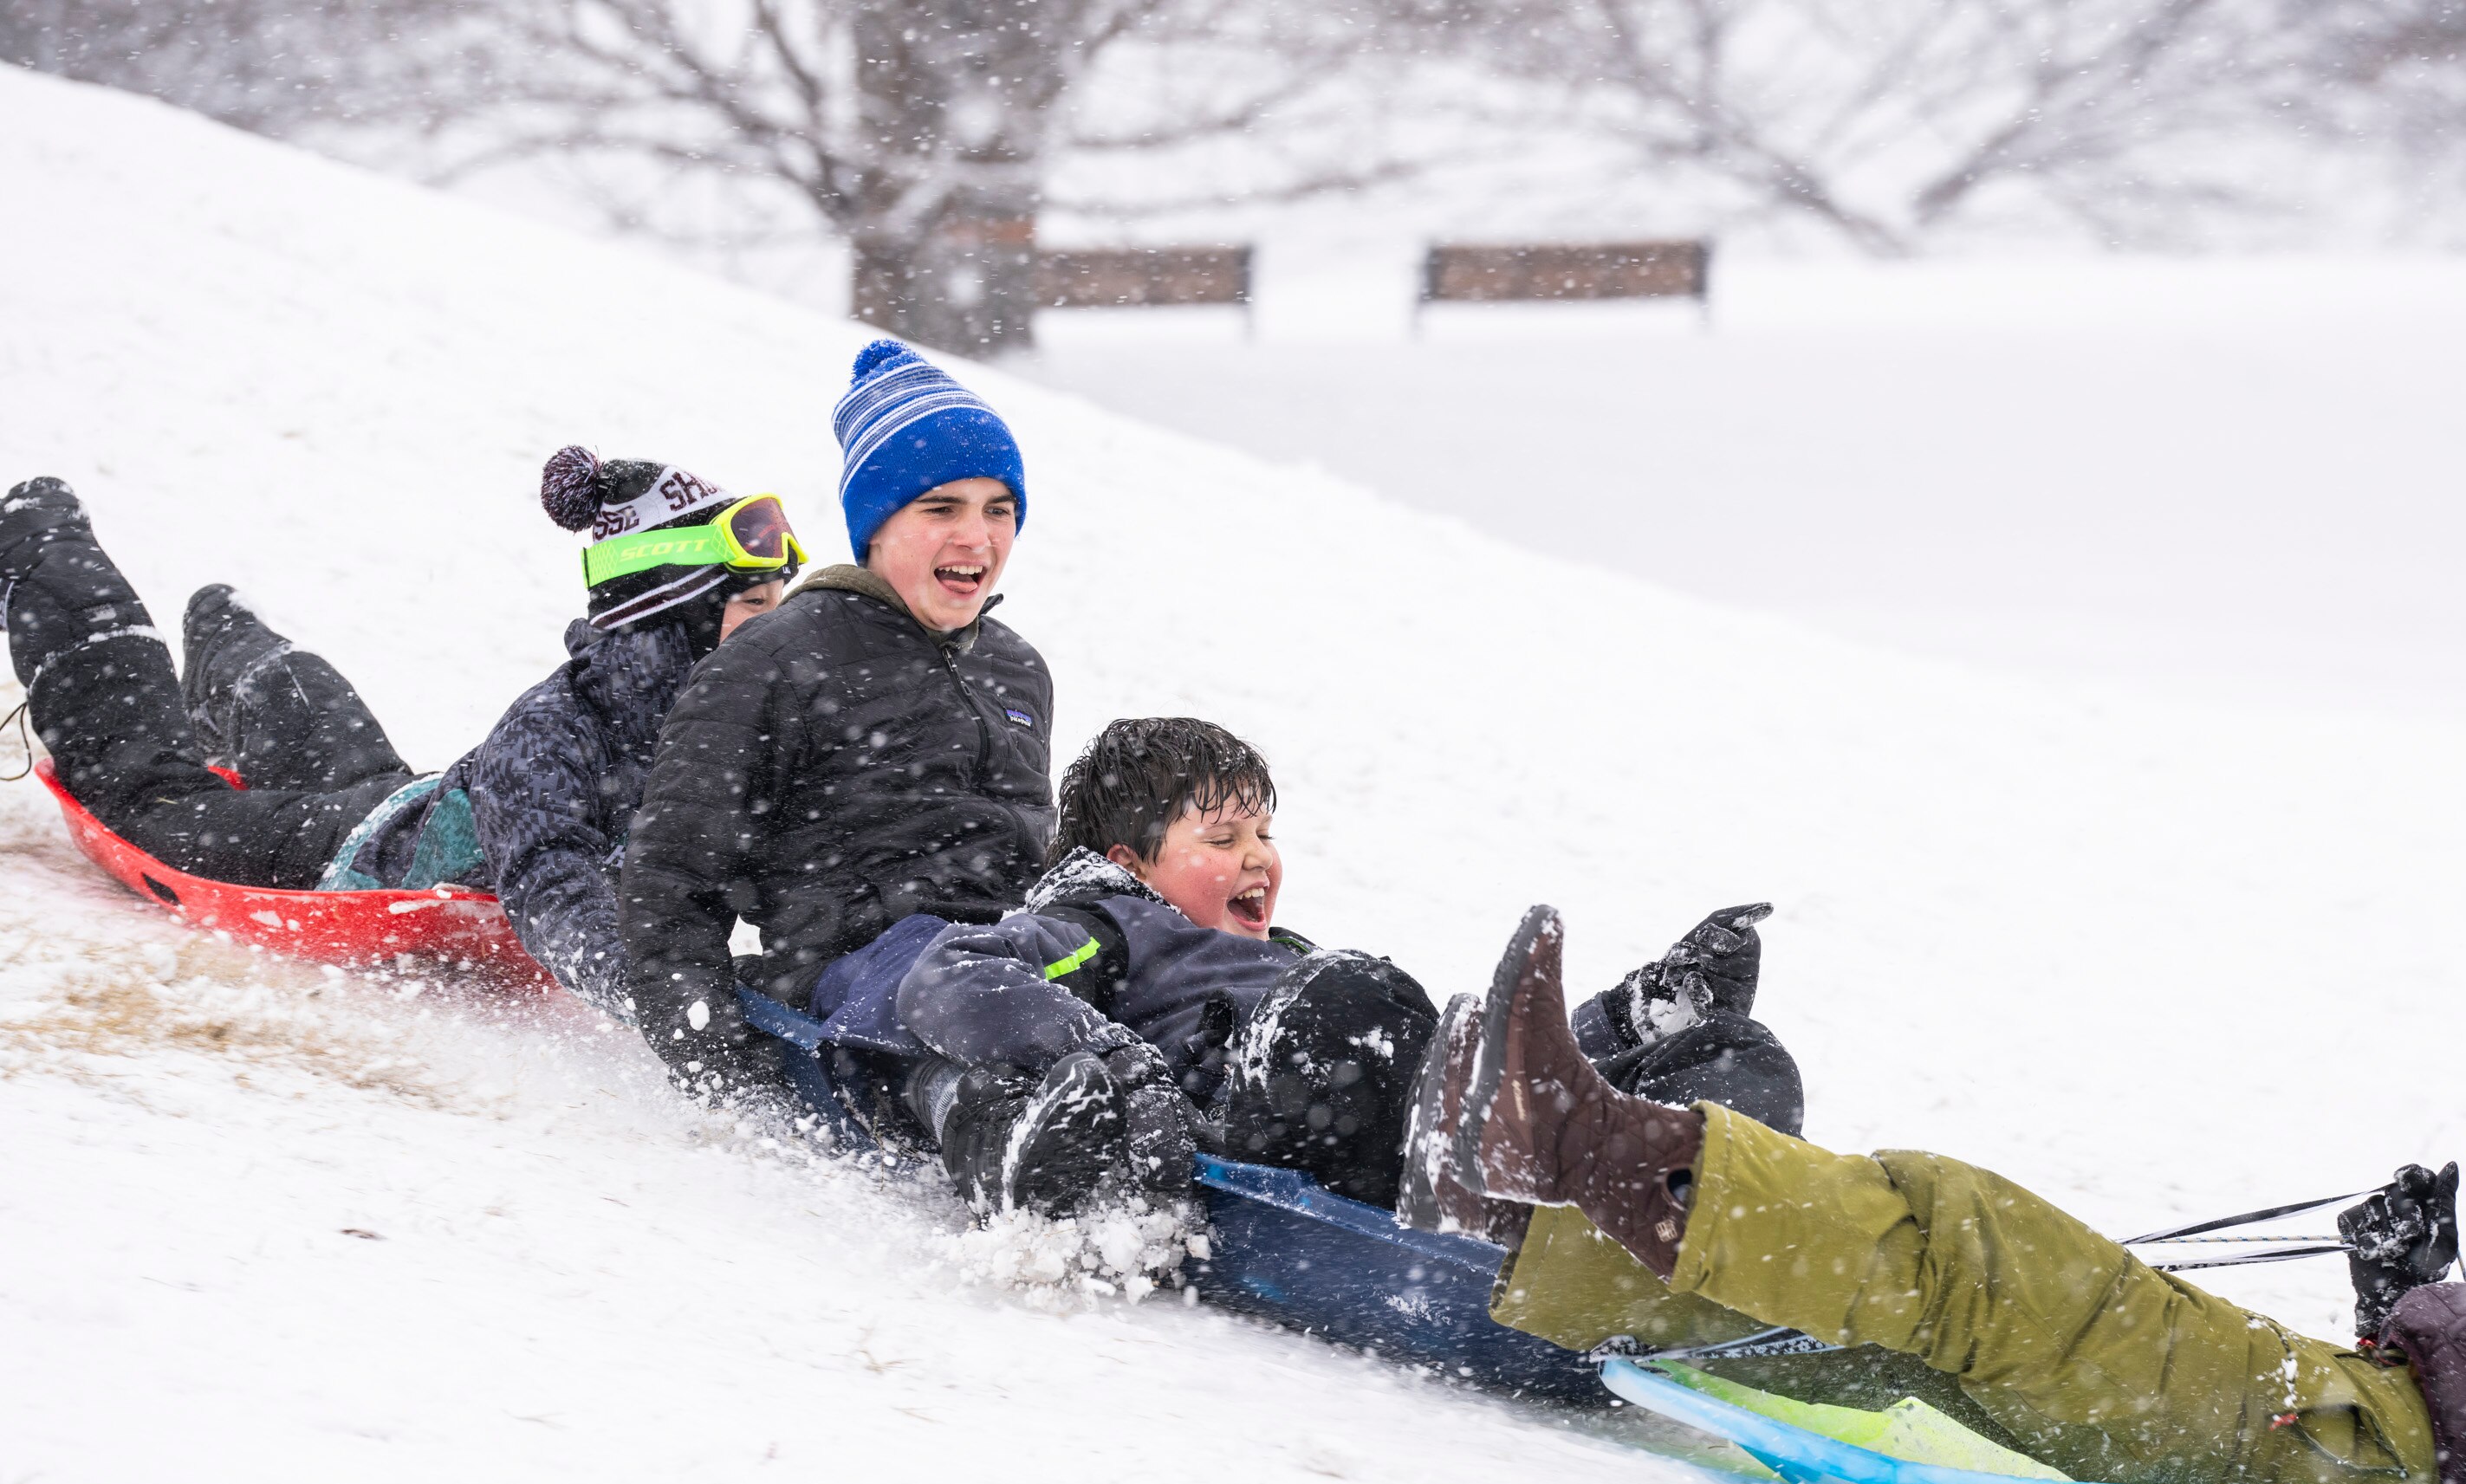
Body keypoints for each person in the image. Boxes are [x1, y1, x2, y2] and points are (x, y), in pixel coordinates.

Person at [1401, 904, 2466, 1484]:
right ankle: (1520, 1220)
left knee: (1972, 1256)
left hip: (2368, 1447)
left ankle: (1568, 1143)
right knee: (1898, 1332)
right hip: (2359, 1418)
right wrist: (2409, 1296)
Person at [813, 715, 1805, 1219]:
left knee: (1735, 1055)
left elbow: (1456, 1073)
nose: (1259, 857)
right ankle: (1554, 1169)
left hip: (1398, 1109)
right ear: (1132, 864)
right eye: (1224, 834)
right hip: (1273, 1111)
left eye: (1265, 833)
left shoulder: (1273, 956)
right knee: (1352, 1000)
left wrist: (1627, 1021)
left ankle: (1688, 1151)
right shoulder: (1107, 919)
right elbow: (949, 976)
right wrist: (1111, 1057)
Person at [0, 455, 794, 1012]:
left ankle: (227, 633)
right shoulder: (553, 731)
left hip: (413, 803)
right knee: (147, 793)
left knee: (326, 742)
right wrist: (654, 997)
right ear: (670, 617)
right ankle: (45, 548)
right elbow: (554, 883)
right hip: (338, 855)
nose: (775, 631)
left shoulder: (734, 734)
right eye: (751, 605)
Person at [620, 340, 1053, 1099]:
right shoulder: (780, 658)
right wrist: (714, 1057)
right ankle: (1051, 1122)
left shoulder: (1015, 669)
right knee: (963, 979)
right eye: (941, 508)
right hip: (872, 978)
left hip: (1023, 958)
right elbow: (671, 880)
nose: (977, 537)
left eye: (999, 510)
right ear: (877, 525)